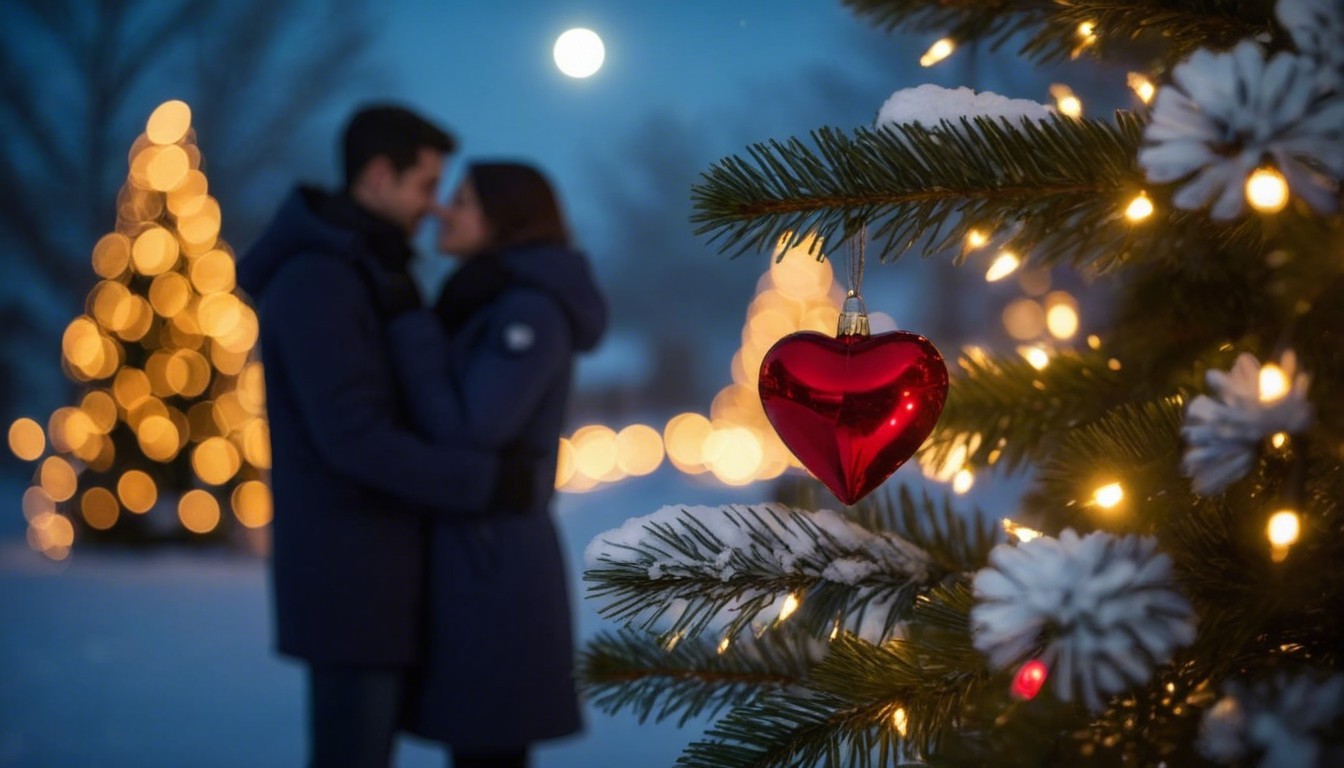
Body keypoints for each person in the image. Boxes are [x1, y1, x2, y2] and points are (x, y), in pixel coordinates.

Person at [238, 106, 532, 768]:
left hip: (378, 573)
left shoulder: (364, 269)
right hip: (350, 580)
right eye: (425, 186)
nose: (432, 208)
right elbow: (354, 436)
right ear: (377, 175)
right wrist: (481, 482)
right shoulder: (319, 279)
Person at [383, 162, 607, 768]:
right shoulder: (486, 299)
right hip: (476, 554)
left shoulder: (527, 312)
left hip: (494, 563)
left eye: (461, 200)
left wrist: (408, 326)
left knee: (489, 748)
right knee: (479, 744)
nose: (442, 212)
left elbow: (472, 425)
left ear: (504, 219)